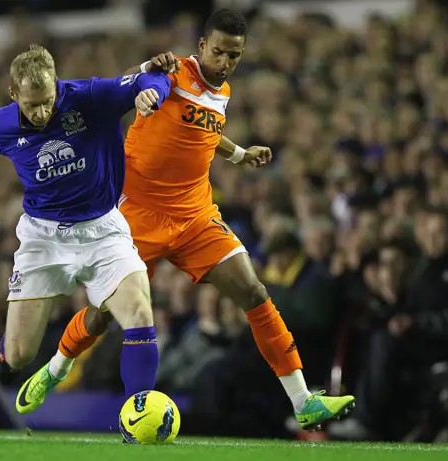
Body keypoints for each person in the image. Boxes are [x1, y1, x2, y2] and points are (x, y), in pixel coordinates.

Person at [19, 10, 355, 431]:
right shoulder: (173, 70)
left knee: (253, 291)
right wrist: (142, 82)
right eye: (217, 51)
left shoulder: (224, 90)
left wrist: (239, 154)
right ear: (201, 47)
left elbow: (206, 131)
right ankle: (56, 368)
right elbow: (123, 85)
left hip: (195, 215)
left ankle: (303, 401)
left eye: (233, 55)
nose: (224, 62)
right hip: (137, 214)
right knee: (104, 313)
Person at [0, 44, 173, 408]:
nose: (41, 112)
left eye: (47, 101)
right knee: (20, 355)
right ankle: (10, 360)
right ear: (13, 94)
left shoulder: (88, 97)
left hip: (104, 230)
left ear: (56, 85)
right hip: (43, 239)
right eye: (30, 105)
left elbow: (149, 78)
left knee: (138, 312)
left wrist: (154, 92)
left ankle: (139, 413)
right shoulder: (1, 124)